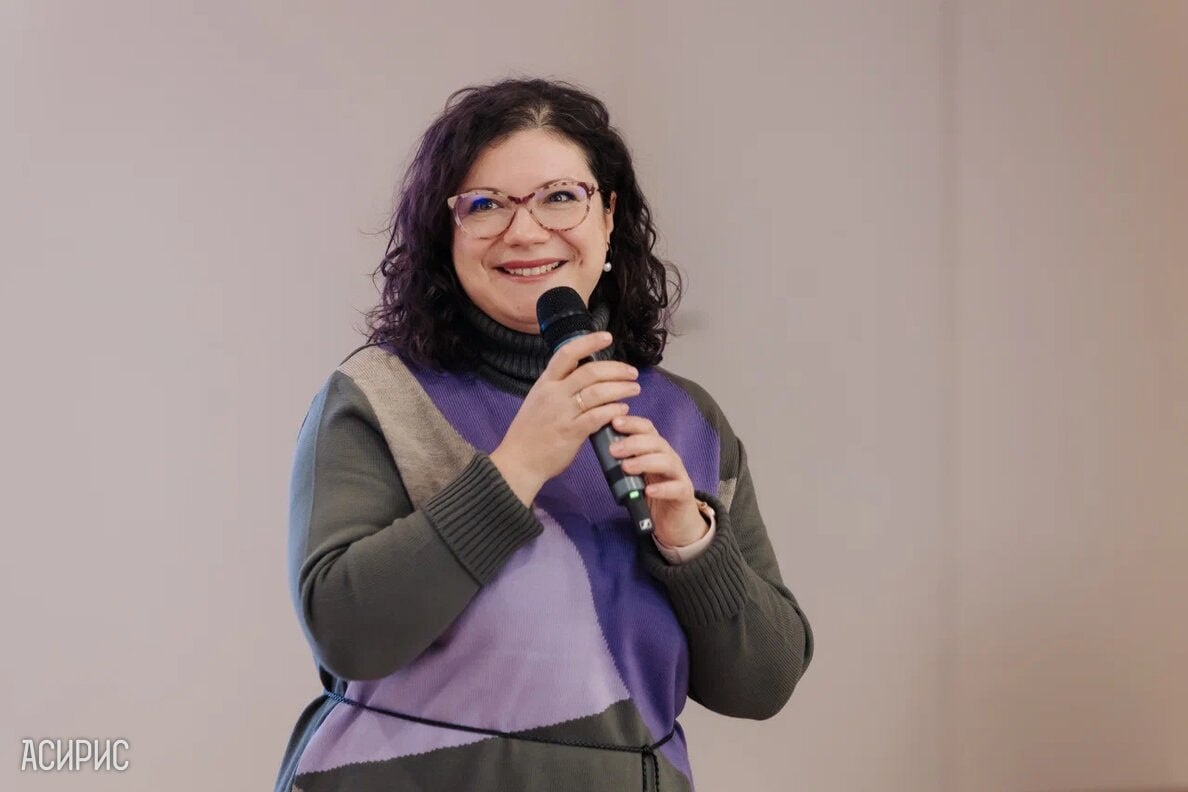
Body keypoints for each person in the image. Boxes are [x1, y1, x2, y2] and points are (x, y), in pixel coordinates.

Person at [274, 78, 813, 792]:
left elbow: (764, 684)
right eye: (485, 205)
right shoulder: (380, 396)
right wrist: (516, 469)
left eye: (560, 196)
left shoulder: (685, 418)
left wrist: (690, 543)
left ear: (609, 216)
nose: (526, 232)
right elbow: (348, 633)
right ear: (446, 233)